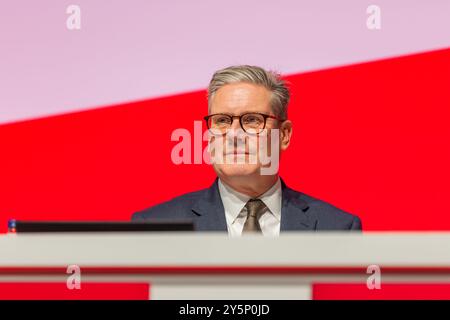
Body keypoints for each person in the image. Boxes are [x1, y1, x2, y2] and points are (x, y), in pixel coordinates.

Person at [132, 65, 362, 235]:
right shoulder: (155, 228)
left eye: (252, 120)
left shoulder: (337, 228)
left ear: (284, 134)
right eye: (222, 120)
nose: (234, 134)